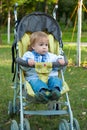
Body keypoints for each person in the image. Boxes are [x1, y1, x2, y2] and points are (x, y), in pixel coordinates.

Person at [22, 31, 65, 102]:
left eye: (46, 45)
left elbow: (57, 57)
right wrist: (28, 61)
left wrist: (60, 59)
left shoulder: (51, 56)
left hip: (50, 77)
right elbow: (23, 65)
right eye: (41, 45)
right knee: (36, 83)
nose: (44, 47)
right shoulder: (29, 55)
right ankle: (42, 94)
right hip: (35, 77)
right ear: (33, 46)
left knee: (56, 80)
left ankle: (55, 92)